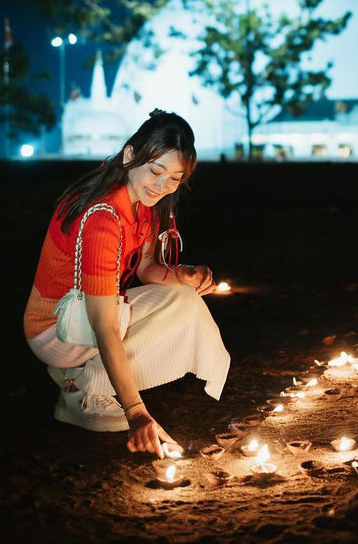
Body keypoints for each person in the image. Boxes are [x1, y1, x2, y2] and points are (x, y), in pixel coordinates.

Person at [23, 109, 230, 458]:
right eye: (156, 170)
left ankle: (81, 375)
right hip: (55, 330)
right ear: (131, 155)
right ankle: (83, 390)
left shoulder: (141, 203)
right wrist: (136, 411)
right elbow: (103, 325)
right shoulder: (103, 218)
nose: (162, 186)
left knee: (184, 297)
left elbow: (147, 267)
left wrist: (185, 274)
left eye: (175, 178)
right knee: (174, 309)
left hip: (85, 318)